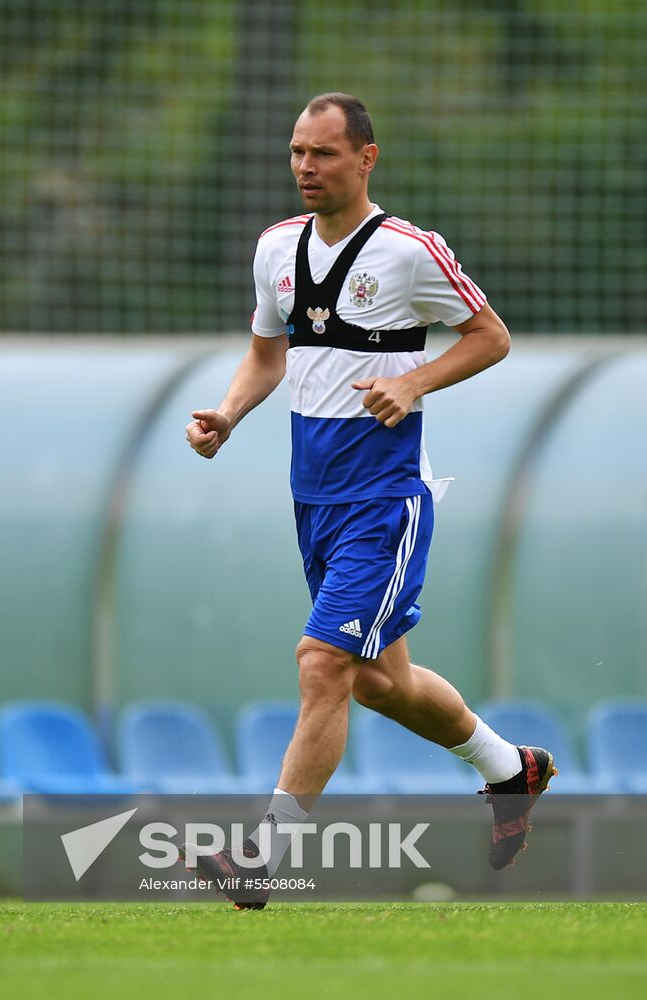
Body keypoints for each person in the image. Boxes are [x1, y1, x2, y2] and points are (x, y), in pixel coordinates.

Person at [184, 93, 554, 909]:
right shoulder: (275, 247)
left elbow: (489, 335)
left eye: (321, 153)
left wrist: (411, 382)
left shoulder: (408, 252)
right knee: (379, 682)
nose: (305, 168)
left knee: (321, 665)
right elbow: (264, 356)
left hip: (385, 498)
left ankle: (260, 860)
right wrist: (227, 414)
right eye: (295, 153)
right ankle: (509, 769)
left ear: (365, 158)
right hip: (311, 496)